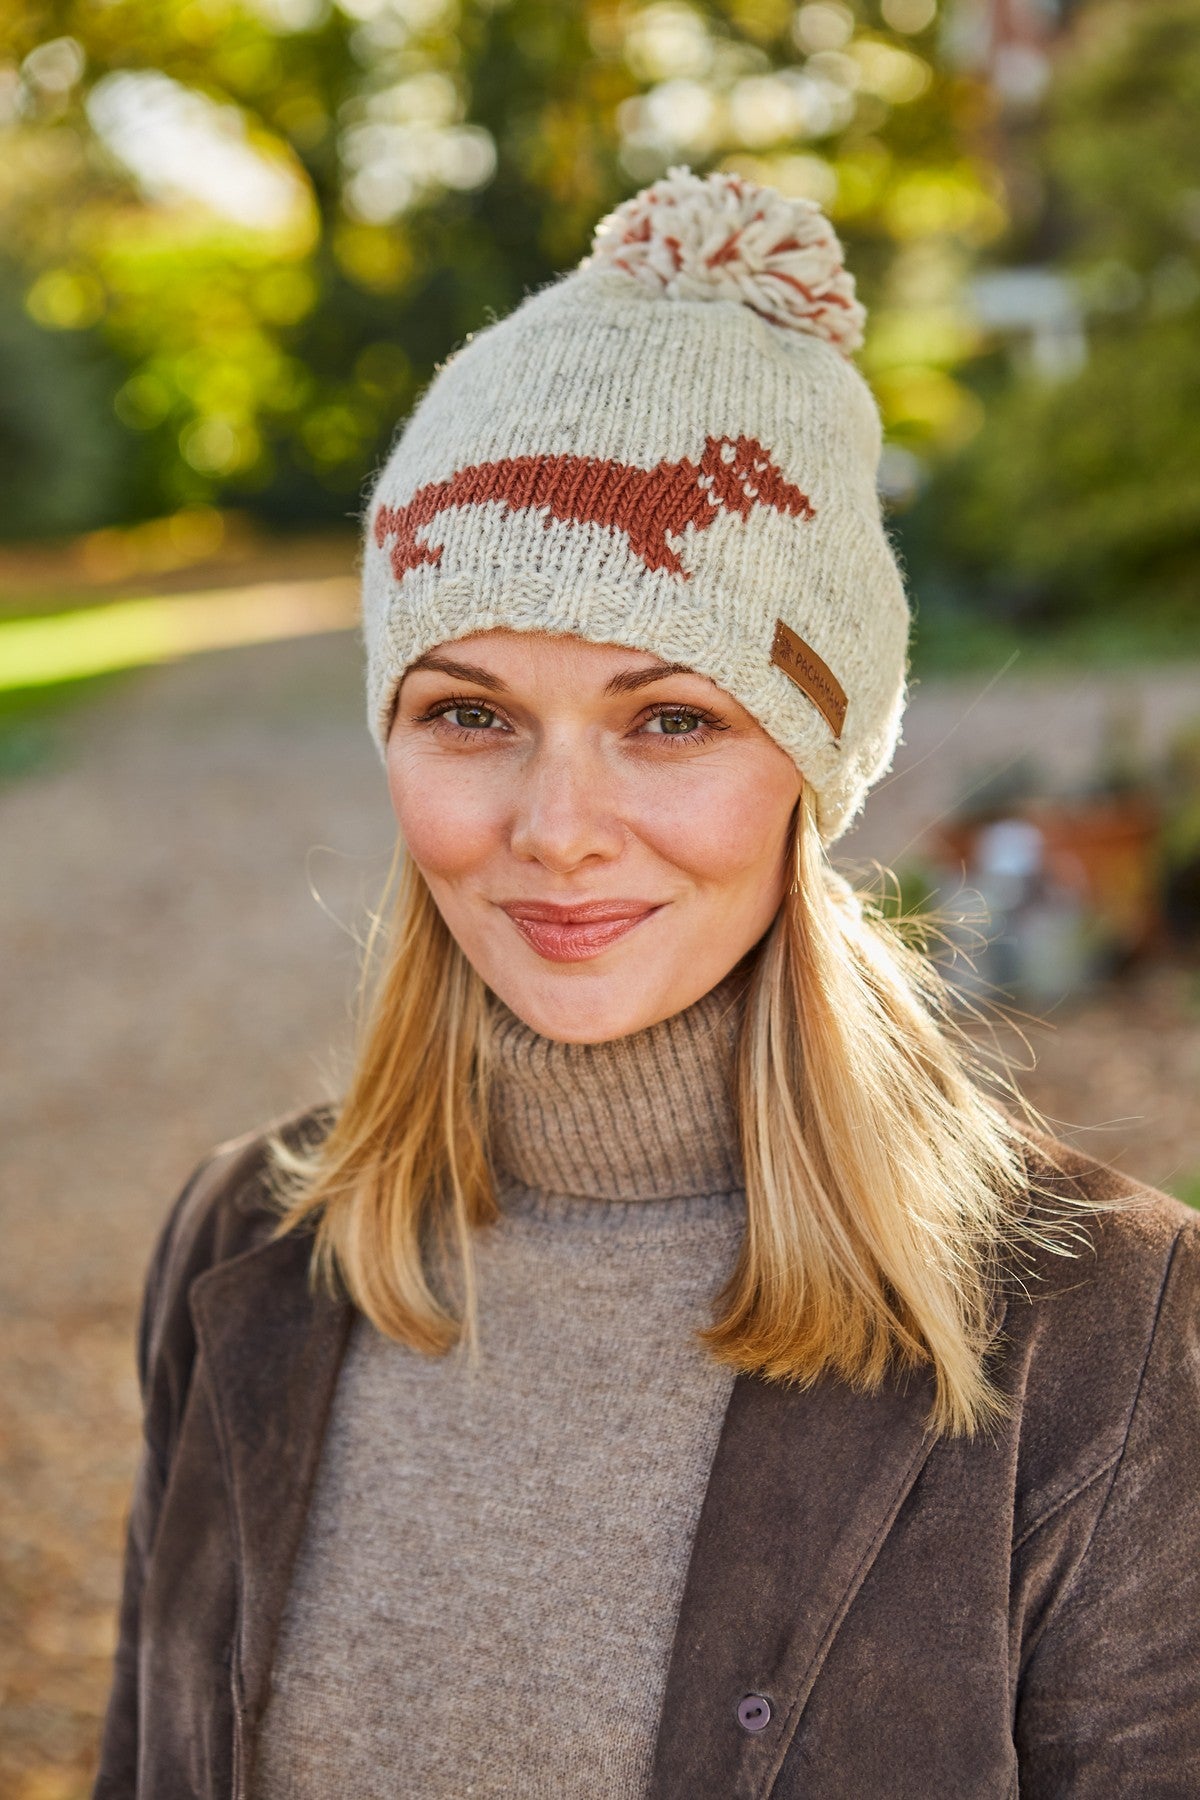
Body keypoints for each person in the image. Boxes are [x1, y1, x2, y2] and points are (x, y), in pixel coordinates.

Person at [93, 166, 1200, 1799]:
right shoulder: (245, 1246)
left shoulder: (1113, 1330)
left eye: (670, 720)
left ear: (814, 766)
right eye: (470, 713)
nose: (557, 834)